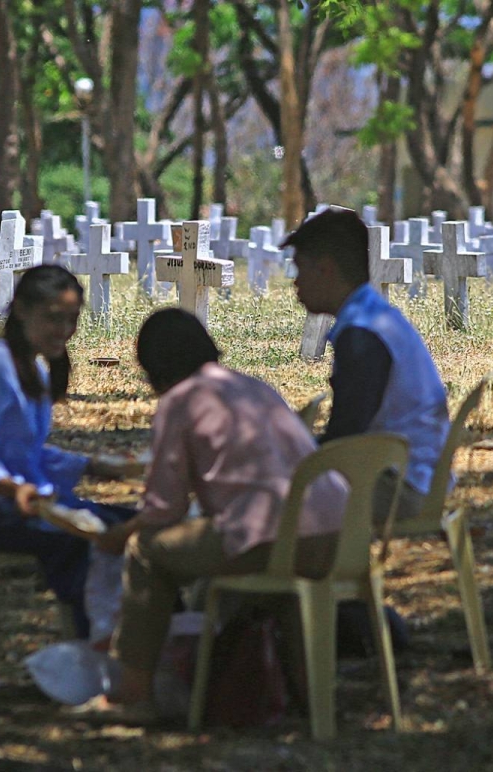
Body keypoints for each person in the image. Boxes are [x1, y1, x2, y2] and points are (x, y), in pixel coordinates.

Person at [87, 308, 348, 717]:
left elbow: (162, 510)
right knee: (278, 588)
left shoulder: (180, 400)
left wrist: (119, 535)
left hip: (271, 536)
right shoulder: (252, 386)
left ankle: (130, 694)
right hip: (337, 531)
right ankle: (309, 697)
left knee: (145, 550)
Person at [0, 265, 131, 639]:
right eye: (53, 318)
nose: (64, 330)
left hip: (3, 503)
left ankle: (149, 647)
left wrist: (93, 466)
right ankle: (94, 645)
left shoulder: (31, 366)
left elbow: (20, 453)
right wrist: (13, 489)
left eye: (72, 319)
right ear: (21, 310)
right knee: (85, 539)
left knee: (127, 522)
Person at [283, 207, 450, 523]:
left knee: (268, 500)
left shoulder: (362, 334)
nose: (296, 283)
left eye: (300, 269)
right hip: (414, 474)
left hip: (401, 487)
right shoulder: (373, 316)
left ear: (326, 270)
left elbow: (347, 436)